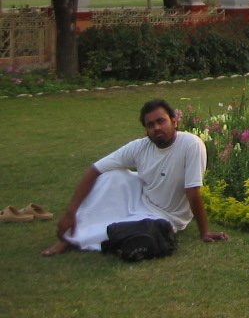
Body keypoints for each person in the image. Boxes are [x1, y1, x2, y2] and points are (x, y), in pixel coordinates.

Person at [42, 99, 228, 256]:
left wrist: (204, 232)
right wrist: (70, 212)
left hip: (166, 216)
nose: (156, 128)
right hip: (142, 197)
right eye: (150, 125)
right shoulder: (140, 147)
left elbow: (192, 192)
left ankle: (74, 240)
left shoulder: (191, 145)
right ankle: (70, 234)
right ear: (146, 130)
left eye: (161, 121)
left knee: (118, 229)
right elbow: (95, 169)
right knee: (109, 177)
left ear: (174, 121)